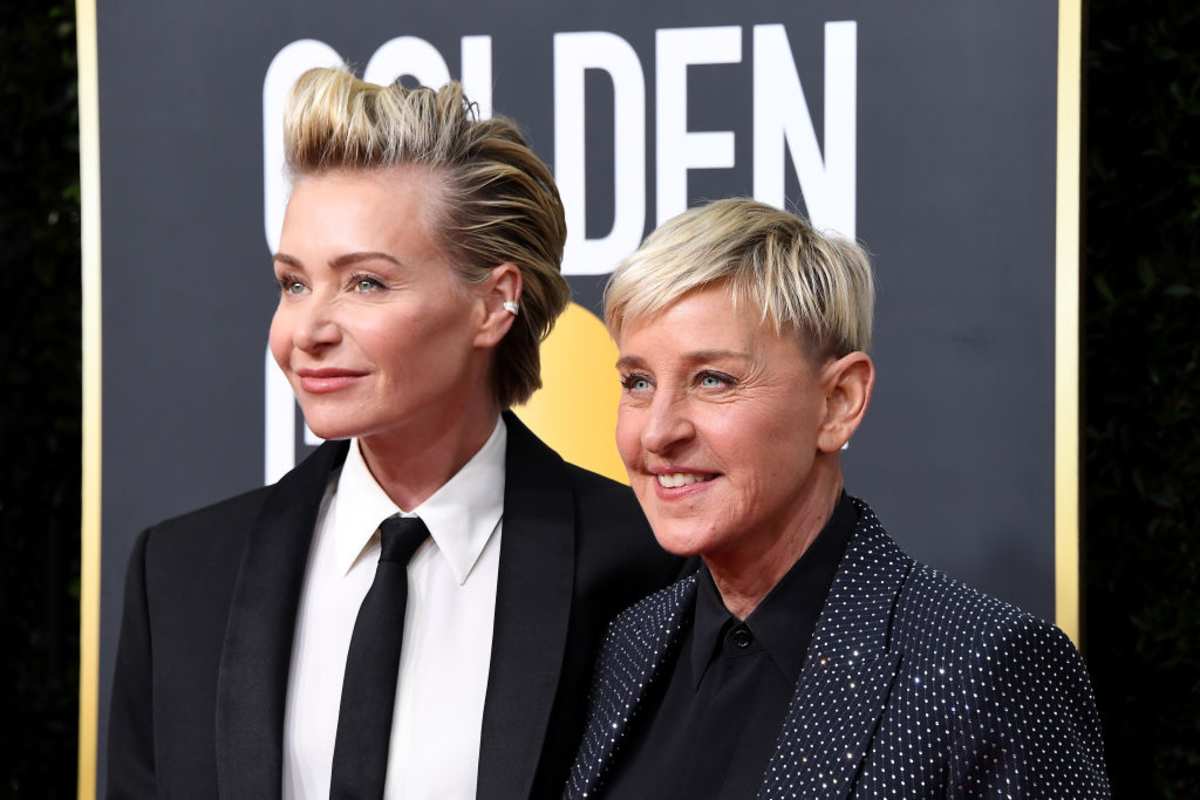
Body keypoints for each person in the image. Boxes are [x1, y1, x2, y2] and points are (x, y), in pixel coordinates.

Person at [106, 67, 679, 800]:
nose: (307, 331)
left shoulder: (644, 570)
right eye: (294, 283)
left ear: (493, 303)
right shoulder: (181, 576)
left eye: (366, 283)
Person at [563, 198, 1110, 799]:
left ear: (839, 402)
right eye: (638, 382)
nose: (658, 431)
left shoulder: (982, 667)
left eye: (712, 379)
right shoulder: (627, 646)